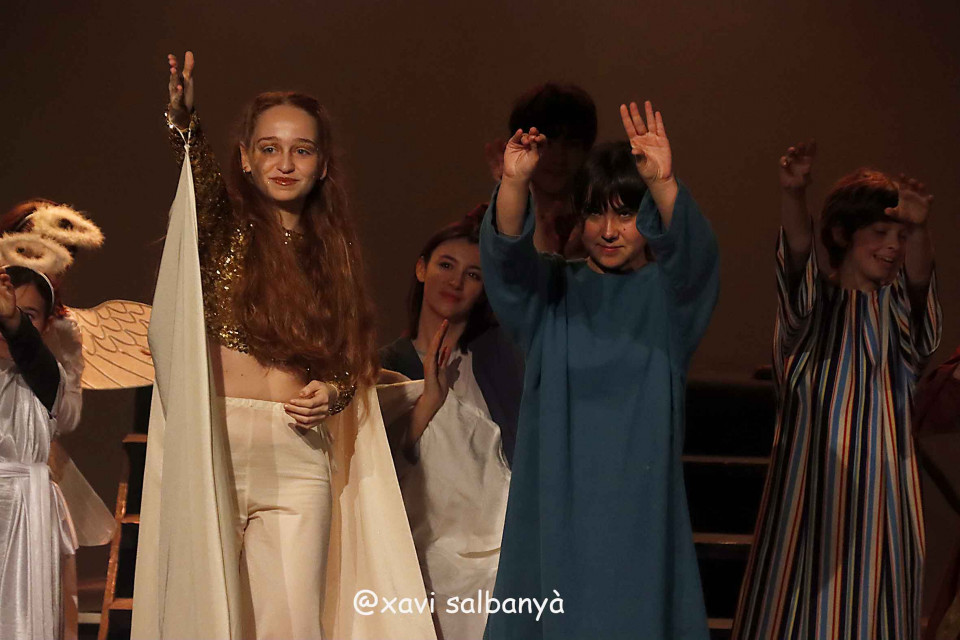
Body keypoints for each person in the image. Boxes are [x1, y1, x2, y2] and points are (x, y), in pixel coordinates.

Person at [132, 52, 432, 640]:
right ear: (245, 158)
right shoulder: (221, 229)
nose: (285, 163)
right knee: (204, 618)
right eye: (269, 148)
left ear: (323, 164)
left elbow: (347, 362)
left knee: (293, 624)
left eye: (302, 150)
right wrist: (185, 123)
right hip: (217, 442)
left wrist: (333, 393)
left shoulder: (334, 255)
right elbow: (200, 180)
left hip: (297, 453)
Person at [480, 101, 719, 639]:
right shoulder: (551, 292)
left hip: (639, 515)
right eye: (594, 213)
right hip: (554, 507)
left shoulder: (667, 300)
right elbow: (507, 264)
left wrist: (663, 184)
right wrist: (515, 184)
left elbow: (695, 260)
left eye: (626, 214)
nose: (609, 231)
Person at [732, 143, 941, 639]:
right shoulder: (809, 314)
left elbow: (919, 289)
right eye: (880, 233)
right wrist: (794, 194)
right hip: (810, 502)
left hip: (883, 507)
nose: (892, 246)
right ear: (844, 234)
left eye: (900, 236)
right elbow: (796, 257)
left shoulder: (897, 320)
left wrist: (919, 230)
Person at [380, 210, 523, 639]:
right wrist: (429, 401)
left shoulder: (500, 364)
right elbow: (380, 465)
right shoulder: (385, 366)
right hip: (421, 541)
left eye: (473, 274)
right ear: (421, 269)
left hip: (501, 539)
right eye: (446, 265)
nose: (456, 281)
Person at [0, 264, 78, 640]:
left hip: (22, 514)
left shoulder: (47, 378)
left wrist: (13, 320)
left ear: (46, 325)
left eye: (27, 314)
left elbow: (30, 352)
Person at [484, 83, 597, 257]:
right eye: (546, 144)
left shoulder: (600, 226)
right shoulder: (486, 222)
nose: (559, 157)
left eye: (571, 144)